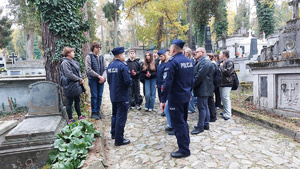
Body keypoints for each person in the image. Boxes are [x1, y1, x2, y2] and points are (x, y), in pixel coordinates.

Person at [160, 39, 194, 158]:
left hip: (175, 98)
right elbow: (191, 80)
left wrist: (163, 100)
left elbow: (167, 83)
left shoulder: (172, 62)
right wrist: (189, 93)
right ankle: (186, 141)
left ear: (173, 49)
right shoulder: (188, 61)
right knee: (183, 121)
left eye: (170, 49)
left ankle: (184, 149)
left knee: (178, 123)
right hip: (185, 96)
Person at [107, 47, 132, 146]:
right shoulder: (122, 66)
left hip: (113, 94)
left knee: (115, 115)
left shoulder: (110, 66)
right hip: (122, 95)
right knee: (121, 117)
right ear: (120, 55)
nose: (124, 56)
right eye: (124, 54)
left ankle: (114, 133)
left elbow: (109, 81)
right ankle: (119, 139)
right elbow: (127, 81)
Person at [60, 47, 87, 124]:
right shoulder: (65, 63)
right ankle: (70, 119)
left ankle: (80, 116)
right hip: (69, 85)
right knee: (70, 102)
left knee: (77, 100)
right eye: (72, 52)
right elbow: (69, 74)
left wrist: (80, 78)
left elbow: (78, 72)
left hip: (75, 85)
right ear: (68, 53)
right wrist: (78, 79)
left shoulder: (73, 62)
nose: (74, 53)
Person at [192, 48, 214, 135]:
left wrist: (192, 84)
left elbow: (199, 75)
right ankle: (205, 124)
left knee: (202, 107)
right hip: (203, 87)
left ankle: (200, 126)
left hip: (203, 88)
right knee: (204, 106)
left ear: (203, 52)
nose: (196, 53)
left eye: (197, 52)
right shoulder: (202, 60)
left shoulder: (205, 61)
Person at [85, 42, 107, 120]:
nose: (98, 49)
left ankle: (98, 111)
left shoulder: (101, 57)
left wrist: (103, 77)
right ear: (93, 48)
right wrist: (98, 76)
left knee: (100, 96)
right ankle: (93, 112)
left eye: (99, 47)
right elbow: (88, 69)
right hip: (93, 80)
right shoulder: (89, 57)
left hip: (101, 80)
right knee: (94, 96)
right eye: (97, 47)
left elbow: (105, 68)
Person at [219, 50, 235, 120]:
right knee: (223, 98)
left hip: (227, 82)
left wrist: (221, 67)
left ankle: (228, 113)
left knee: (226, 97)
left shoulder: (229, 62)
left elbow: (227, 72)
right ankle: (225, 111)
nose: (219, 55)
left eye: (220, 53)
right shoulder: (221, 62)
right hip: (221, 82)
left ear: (224, 54)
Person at [184, 47, 196, 113]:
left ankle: (192, 108)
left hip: (190, 78)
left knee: (191, 94)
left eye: (186, 53)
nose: (185, 54)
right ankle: (189, 107)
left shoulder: (191, 60)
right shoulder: (185, 59)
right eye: (185, 52)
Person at [156, 50, 167, 116]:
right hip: (159, 83)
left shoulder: (166, 64)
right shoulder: (160, 64)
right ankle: (163, 109)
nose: (160, 58)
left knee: (164, 97)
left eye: (161, 56)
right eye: (159, 57)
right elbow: (158, 75)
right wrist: (157, 83)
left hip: (163, 83)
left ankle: (165, 110)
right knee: (160, 96)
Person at [207, 53, 218, 122]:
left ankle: (213, 116)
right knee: (210, 100)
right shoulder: (211, 64)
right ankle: (212, 115)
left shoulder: (212, 64)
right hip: (211, 84)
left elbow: (211, 74)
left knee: (210, 100)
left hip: (211, 84)